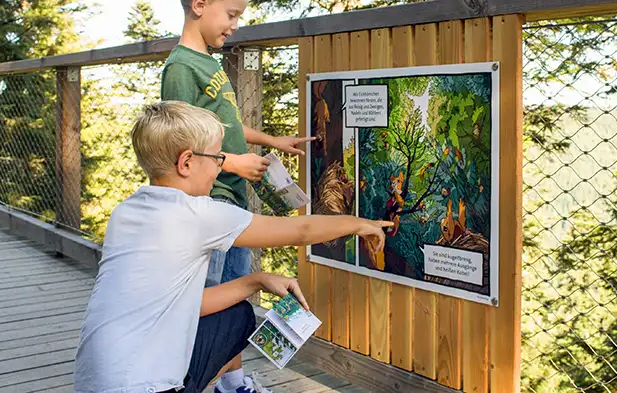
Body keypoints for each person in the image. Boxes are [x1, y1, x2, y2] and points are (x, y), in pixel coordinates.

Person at [73, 101, 390, 393]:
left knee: (236, 316)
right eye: (217, 158)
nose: (219, 168)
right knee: (236, 319)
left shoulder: (125, 212)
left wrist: (257, 280)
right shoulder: (199, 214)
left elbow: (186, 305)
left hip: (93, 382)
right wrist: (360, 224)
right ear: (186, 162)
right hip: (145, 387)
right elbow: (301, 230)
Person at [160, 0, 314, 392]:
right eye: (230, 15)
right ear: (200, 4)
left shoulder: (209, 62)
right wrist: (232, 163)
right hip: (207, 202)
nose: (234, 26)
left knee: (235, 291)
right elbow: (178, 141)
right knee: (208, 297)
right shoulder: (181, 67)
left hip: (230, 200)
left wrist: (269, 140)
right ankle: (187, 380)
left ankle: (232, 382)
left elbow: (223, 124)